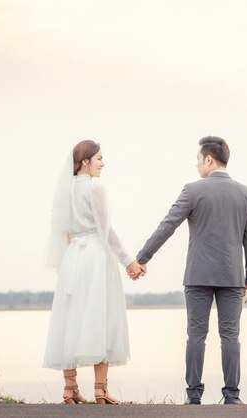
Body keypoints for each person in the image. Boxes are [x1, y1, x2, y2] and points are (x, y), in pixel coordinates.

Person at [130, 136, 247, 405]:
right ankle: (232, 396)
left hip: (198, 276)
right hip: (232, 277)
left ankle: (193, 396)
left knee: (196, 335)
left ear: (209, 159)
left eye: (198, 160)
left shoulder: (192, 190)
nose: (197, 165)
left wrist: (143, 257)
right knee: (231, 336)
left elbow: (168, 225)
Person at [43, 140, 144, 404]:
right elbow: (105, 229)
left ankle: (70, 388)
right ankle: (100, 389)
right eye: (99, 158)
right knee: (101, 316)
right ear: (85, 161)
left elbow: (61, 230)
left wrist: (69, 258)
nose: (103, 163)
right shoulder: (95, 187)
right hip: (96, 257)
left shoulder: (64, 191)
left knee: (71, 317)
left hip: (73, 256)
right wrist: (128, 261)